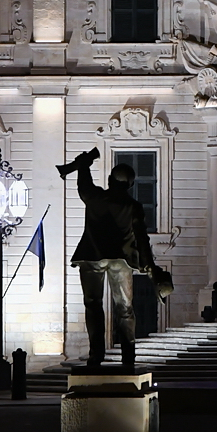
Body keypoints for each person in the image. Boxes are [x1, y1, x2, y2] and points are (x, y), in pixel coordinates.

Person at [66, 149, 157, 367]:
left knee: (93, 306)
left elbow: (83, 186)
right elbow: (142, 237)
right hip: (121, 259)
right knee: (125, 309)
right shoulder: (133, 206)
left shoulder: (95, 197)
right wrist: (148, 263)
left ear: (109, 180)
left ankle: (95, 355)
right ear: (130, 185)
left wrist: (83, 165)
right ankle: (128, 357)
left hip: (92, 257)